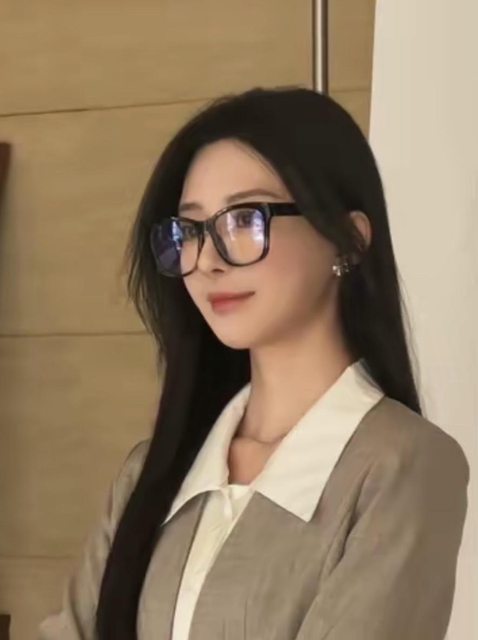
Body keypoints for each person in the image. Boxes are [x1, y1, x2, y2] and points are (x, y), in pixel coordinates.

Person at [38, 87, 469, 640]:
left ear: (348, 241)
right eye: (191, 229)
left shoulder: (402, 466)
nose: (207, 260)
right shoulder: (150, 473)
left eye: (245, 219)